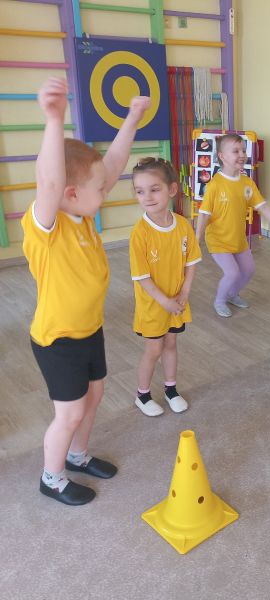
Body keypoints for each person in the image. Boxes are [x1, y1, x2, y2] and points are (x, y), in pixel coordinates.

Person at [22, 77, 150, 505]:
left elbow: (111, 163)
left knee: (94, 396)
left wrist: (132, 119)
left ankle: (77, 455)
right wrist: (54, 119)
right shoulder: (46, 226)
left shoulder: (82, 214)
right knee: (71, 411)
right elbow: (50, 183)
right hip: (58, 339)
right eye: (100, 189)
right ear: (72, 193)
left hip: (89, 329)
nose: (107, 190)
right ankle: (52, 477)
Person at [130, 157, 202, 417]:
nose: (147, 197)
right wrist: (164, 302)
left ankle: (171, 390)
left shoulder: (183, 225)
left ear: (171, 189)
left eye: (154, 189)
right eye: (140, 191)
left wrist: (184, 293)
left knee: (171, 344)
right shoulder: (140, 233)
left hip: (176, 302)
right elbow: (142, 277)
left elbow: (191, 262)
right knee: (154, 349)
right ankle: (142, 395)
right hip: (153, 305)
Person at [195, 134, 270, 317]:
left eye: (243, 150)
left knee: (249, 271)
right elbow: (204, 213)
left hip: (238, 239)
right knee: (232, 273)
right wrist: (197, 238)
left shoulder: (247, 184)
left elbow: (262, 206)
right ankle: (220, 300)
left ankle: (232, 294)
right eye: (236, 151)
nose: (242, 154)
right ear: (222, 156)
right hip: (218, 240)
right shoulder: (215, 185)